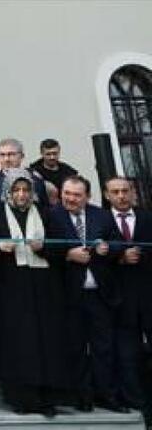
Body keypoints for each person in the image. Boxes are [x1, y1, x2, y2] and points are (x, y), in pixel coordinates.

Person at [0, 168, 68, 416]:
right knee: (19, 343)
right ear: (8, 192)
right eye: (16, 190)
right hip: (11, 288)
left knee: (45, 341)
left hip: (42, 286)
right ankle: (21, 398)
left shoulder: (46, 214)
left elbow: (60, 251)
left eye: (25, 190)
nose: (21, 195)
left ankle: (47, 399)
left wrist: (43, 248)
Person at [49, 176, 125, 412]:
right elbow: (45, 248)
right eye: (67, 193)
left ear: (88, 197)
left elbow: (117, 243)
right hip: (69, 296)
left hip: (100, 295)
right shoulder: (51, 215)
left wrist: (107, 248)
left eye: (76, 195)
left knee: (104, 348)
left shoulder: (101, 215)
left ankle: (108, 396)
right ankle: (82, 397)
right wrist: (67, 255)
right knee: (75, 348)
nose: (70, 199)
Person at [105, 176, 152, 413]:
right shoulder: (101, 221)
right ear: (107, 195)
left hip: (148, 294)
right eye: (116, 192)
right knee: (127, 354)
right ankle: (137, 403)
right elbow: (98, 257)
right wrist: (119, 257)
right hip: (120, 299)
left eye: (125, 191)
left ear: (133, 192)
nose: (121, 196)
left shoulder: (147, 218)